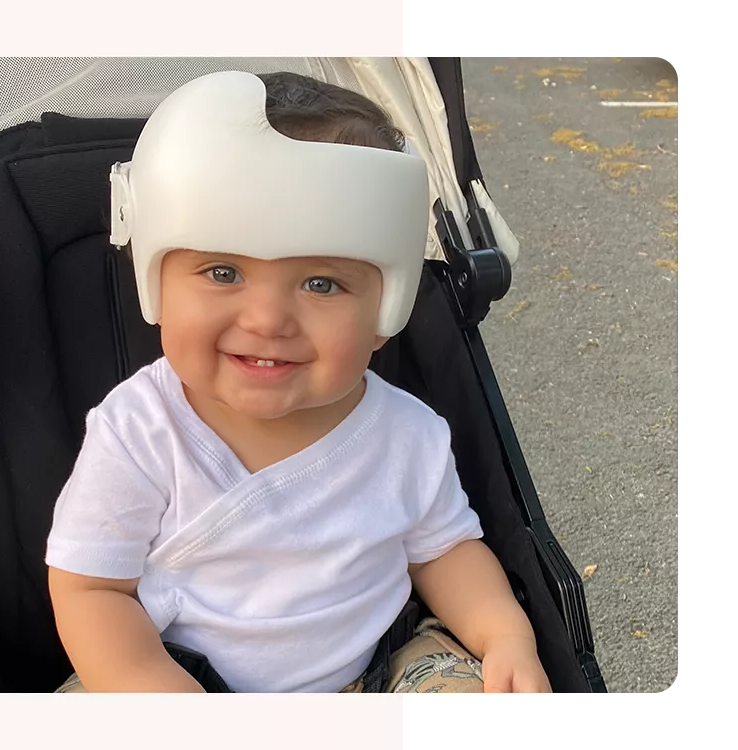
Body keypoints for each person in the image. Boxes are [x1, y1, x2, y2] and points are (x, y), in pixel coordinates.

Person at [45, 70, 551, 695]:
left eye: (321, 284)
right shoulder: (139, 431)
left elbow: (444, 552)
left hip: (373, 669)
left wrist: (504, 634)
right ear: (155, 280)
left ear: (386, 308)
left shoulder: (407, 434)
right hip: (170, 675)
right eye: (223, 271)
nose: (267, 321)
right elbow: (90, 588)